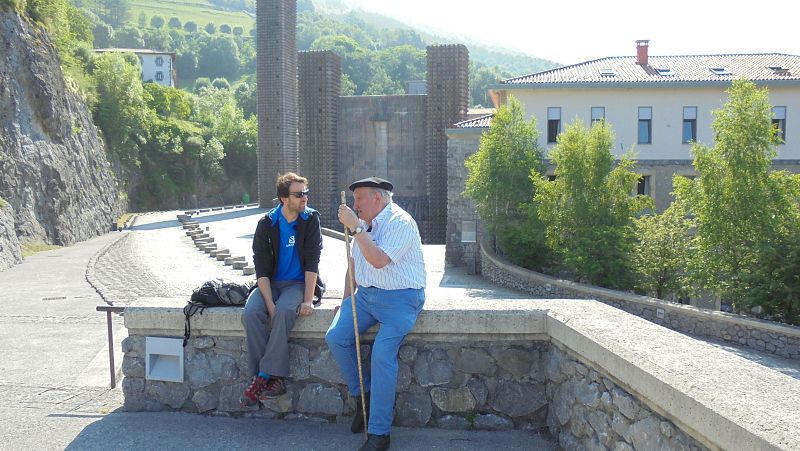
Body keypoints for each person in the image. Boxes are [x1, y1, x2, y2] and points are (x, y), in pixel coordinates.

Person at [326, 177, 426, 451]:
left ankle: (380, 434)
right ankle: (365, 398)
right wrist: (346, 302)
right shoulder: (363, 224)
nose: (355, 205)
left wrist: (357, 228)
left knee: (382, 355)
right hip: (366, 297)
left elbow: (378, 260)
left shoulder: (400, 222)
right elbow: (353, 266)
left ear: (378, 198)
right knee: (336, 336)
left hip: (401, 298)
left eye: (359, 198)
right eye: (354, 199)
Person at [241, 172, 324, 405]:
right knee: (251, 313)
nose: (304, 198)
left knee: (286, 311)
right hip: (271, 284)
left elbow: (312, 261)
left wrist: (307, 300)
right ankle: (269, 378)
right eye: (299, 194)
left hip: (298, 284)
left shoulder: (310, 220)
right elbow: (261, 267)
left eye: (306, 193)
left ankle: (262, 376)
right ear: (284, 199)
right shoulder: (267, 223)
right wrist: (269, 303)